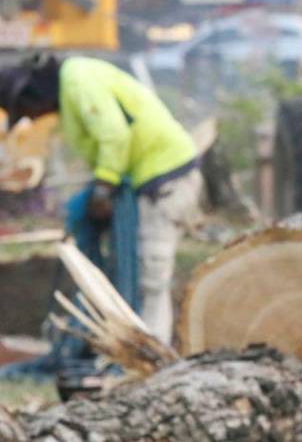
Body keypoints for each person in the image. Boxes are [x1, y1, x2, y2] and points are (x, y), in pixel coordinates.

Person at [0, 54, 201, 342]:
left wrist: (102, 190)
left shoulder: (79, 80)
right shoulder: (71, 92)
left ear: (31, 94)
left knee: (148, 279)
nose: (32, 118)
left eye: (27, 111)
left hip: (164, 182)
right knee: (132, 275)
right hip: (145, 182)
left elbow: (114, 136)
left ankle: (150, 358)